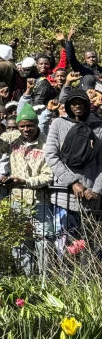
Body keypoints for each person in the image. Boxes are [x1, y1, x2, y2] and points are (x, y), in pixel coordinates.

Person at [0, 103, 56, 274]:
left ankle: (46, 283)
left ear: (36, 124)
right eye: (22, 126)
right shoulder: (12, 138)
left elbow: (48, 176)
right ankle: (27, 280)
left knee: (44, 244)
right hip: (18, 202)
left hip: (40, 202)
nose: (26, 129)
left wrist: (25, 181)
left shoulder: (47, 144)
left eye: (30, 125)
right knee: (20, 244)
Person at [44, 87, 102, 240]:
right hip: (64, 196)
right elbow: (51, 156)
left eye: (81, 102)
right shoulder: (58, 123)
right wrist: (73, 182)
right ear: (68, 105)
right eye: (73, 103)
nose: (77, 106)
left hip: (91, 198)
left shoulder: (99, 128)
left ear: (87, 104)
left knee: (91, 246)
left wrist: (96, 190)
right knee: (65, 246)